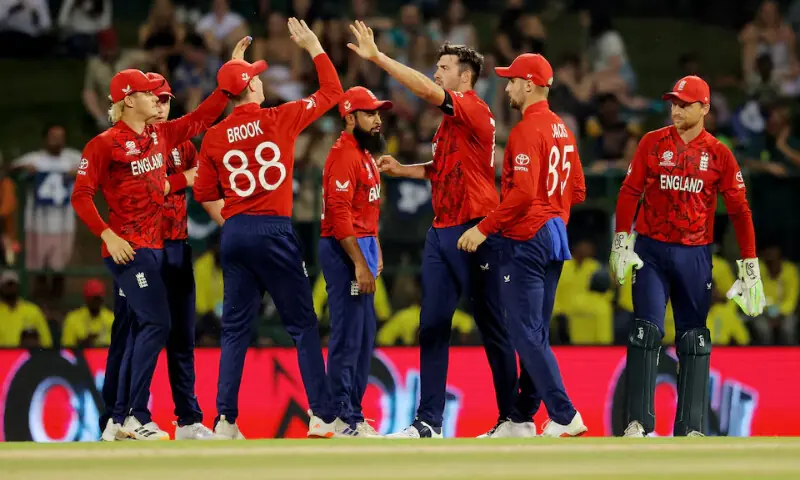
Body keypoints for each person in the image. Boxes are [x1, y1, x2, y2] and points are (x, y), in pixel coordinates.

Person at [347, 21, 518, 439]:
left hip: (475, 231)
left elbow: (425, 91)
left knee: (493, 327)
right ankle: (429, 421)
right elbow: (442, 169)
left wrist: (378, 58)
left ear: (465, 76)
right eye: (437, 67)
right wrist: (403, 169)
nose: (437, 73)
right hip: (441, 232)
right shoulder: (448, 126)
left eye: (444, 67)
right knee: (433, 325)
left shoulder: (474, 109)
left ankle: (515, 418)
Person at [193, 18, 343, 440]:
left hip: (236, 232)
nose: (261, 81)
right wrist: (315, 47)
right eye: (255, 77)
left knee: (235, 330)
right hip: (274, 230)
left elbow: (203, 193)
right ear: (253, 88)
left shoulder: (214, 137)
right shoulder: (280, 117)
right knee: (302, 325)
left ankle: (225, 421)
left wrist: (234, 223)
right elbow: (332, 92)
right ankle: (321, 415)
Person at [71, 57, 231, 440]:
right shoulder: (104, 144)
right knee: (150, 325)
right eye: (148, 94)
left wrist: (229, 81)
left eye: (160, 96)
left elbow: (201, 118)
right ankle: (128, 416)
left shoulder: (160, 137)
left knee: (158, 327)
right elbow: (80, 195)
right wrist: (108, 235)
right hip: (130, 250)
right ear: (128, 100)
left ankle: (130, 418)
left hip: (158, 247)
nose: (156, 101)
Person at [609, 75, 764, 438]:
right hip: (650, 250)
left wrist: (749, 264)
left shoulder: (719, 154)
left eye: (685, 104)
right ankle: (637, 423)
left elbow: (740, 211)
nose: (676, 110)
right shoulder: (652, 142)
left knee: (694, 338)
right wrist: (621, 239)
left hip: (695, 255)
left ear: (705, 107)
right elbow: (630, 191)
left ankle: (691, 427)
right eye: (674, 103)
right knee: (645, 332)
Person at [457, 53, 588, 438]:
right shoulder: (563, 128)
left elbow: (524, 193)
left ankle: (565, 414)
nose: (508, 88)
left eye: (512, 81)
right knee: (535, 333)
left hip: (528, 235)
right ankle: (520, 419)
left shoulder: (526, 130)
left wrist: (484, 228)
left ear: (529, 84)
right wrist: (553, 208)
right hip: (555, 234)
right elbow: (578, 189)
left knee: (524, 333)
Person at [319, 86, 392, 437]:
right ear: (349, 117)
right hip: (344, 249)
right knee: (348, 335)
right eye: (369, 113)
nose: (378, 120)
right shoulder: (344, 155)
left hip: (361, 244)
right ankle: (340, 416)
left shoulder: (363, 154)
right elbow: (338, 214)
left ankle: (355, 414)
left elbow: (366, 208)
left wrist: (374, 245)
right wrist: (360, 263)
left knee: (363, 336)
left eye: (378, 113)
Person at [61, 278, 114, 347]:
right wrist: (82, 344)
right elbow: (66, 348)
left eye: (98, 298)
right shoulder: (72, 319)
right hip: (81, 353)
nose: (96, 302)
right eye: (93, 298)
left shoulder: (112, 318)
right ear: (86, 299)